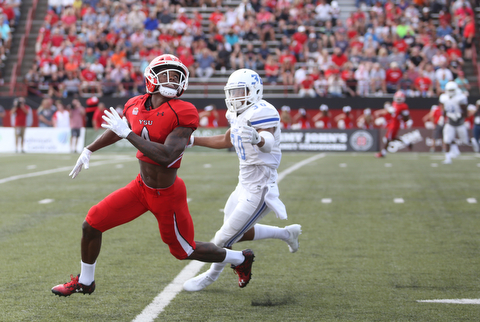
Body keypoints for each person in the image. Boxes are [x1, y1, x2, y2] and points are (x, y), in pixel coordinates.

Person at [51, 54, 255, 297]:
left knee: (183, 250)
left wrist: (127, 134)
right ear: (151, 77)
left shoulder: (184, 111)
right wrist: (89, 148)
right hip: (140, 188)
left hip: (167, 194)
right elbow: (120, 130)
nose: (172, 80)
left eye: (176, 76)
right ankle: (86, 281)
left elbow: (167, 155)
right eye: (166, 74)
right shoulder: (134, 104)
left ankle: (239, 258)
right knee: (92, 223)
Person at [182, 69, 301, 292]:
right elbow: (226, 139)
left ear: (254, 91)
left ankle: (210, 276)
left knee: (221, 240)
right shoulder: (236, 114)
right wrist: (192, 141)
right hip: (243, 185)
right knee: (240, 232)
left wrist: (258, 139)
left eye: (240, 91)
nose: (235, 96)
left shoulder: (263, 111)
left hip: (260, 189)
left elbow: (267, 140)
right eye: (233, 92)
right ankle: (287, 234)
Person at [439, 81, 469, 164]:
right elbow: (444, 109)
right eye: (449, 90)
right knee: (447, 139)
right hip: (450, 122)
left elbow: (466, 112)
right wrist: (442, 117)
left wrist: (459, 115)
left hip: (460, 122)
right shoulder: (444, 97)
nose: (451, 92)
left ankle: (457, 149)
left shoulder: (461, 97)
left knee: (465, 141)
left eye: (452, 90)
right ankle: (448, 158)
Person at [374, 91, 411, 158]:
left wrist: (403, 115)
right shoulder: (394, 104)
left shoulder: (403, 106)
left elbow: (406, 118)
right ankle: (407, 143)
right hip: (392, 123)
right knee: (392, 138)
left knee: (388, 138)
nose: (398, 100)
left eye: (400, 99)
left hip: (395, 124)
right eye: (398, 98)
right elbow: (391, 112)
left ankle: (383, 153)